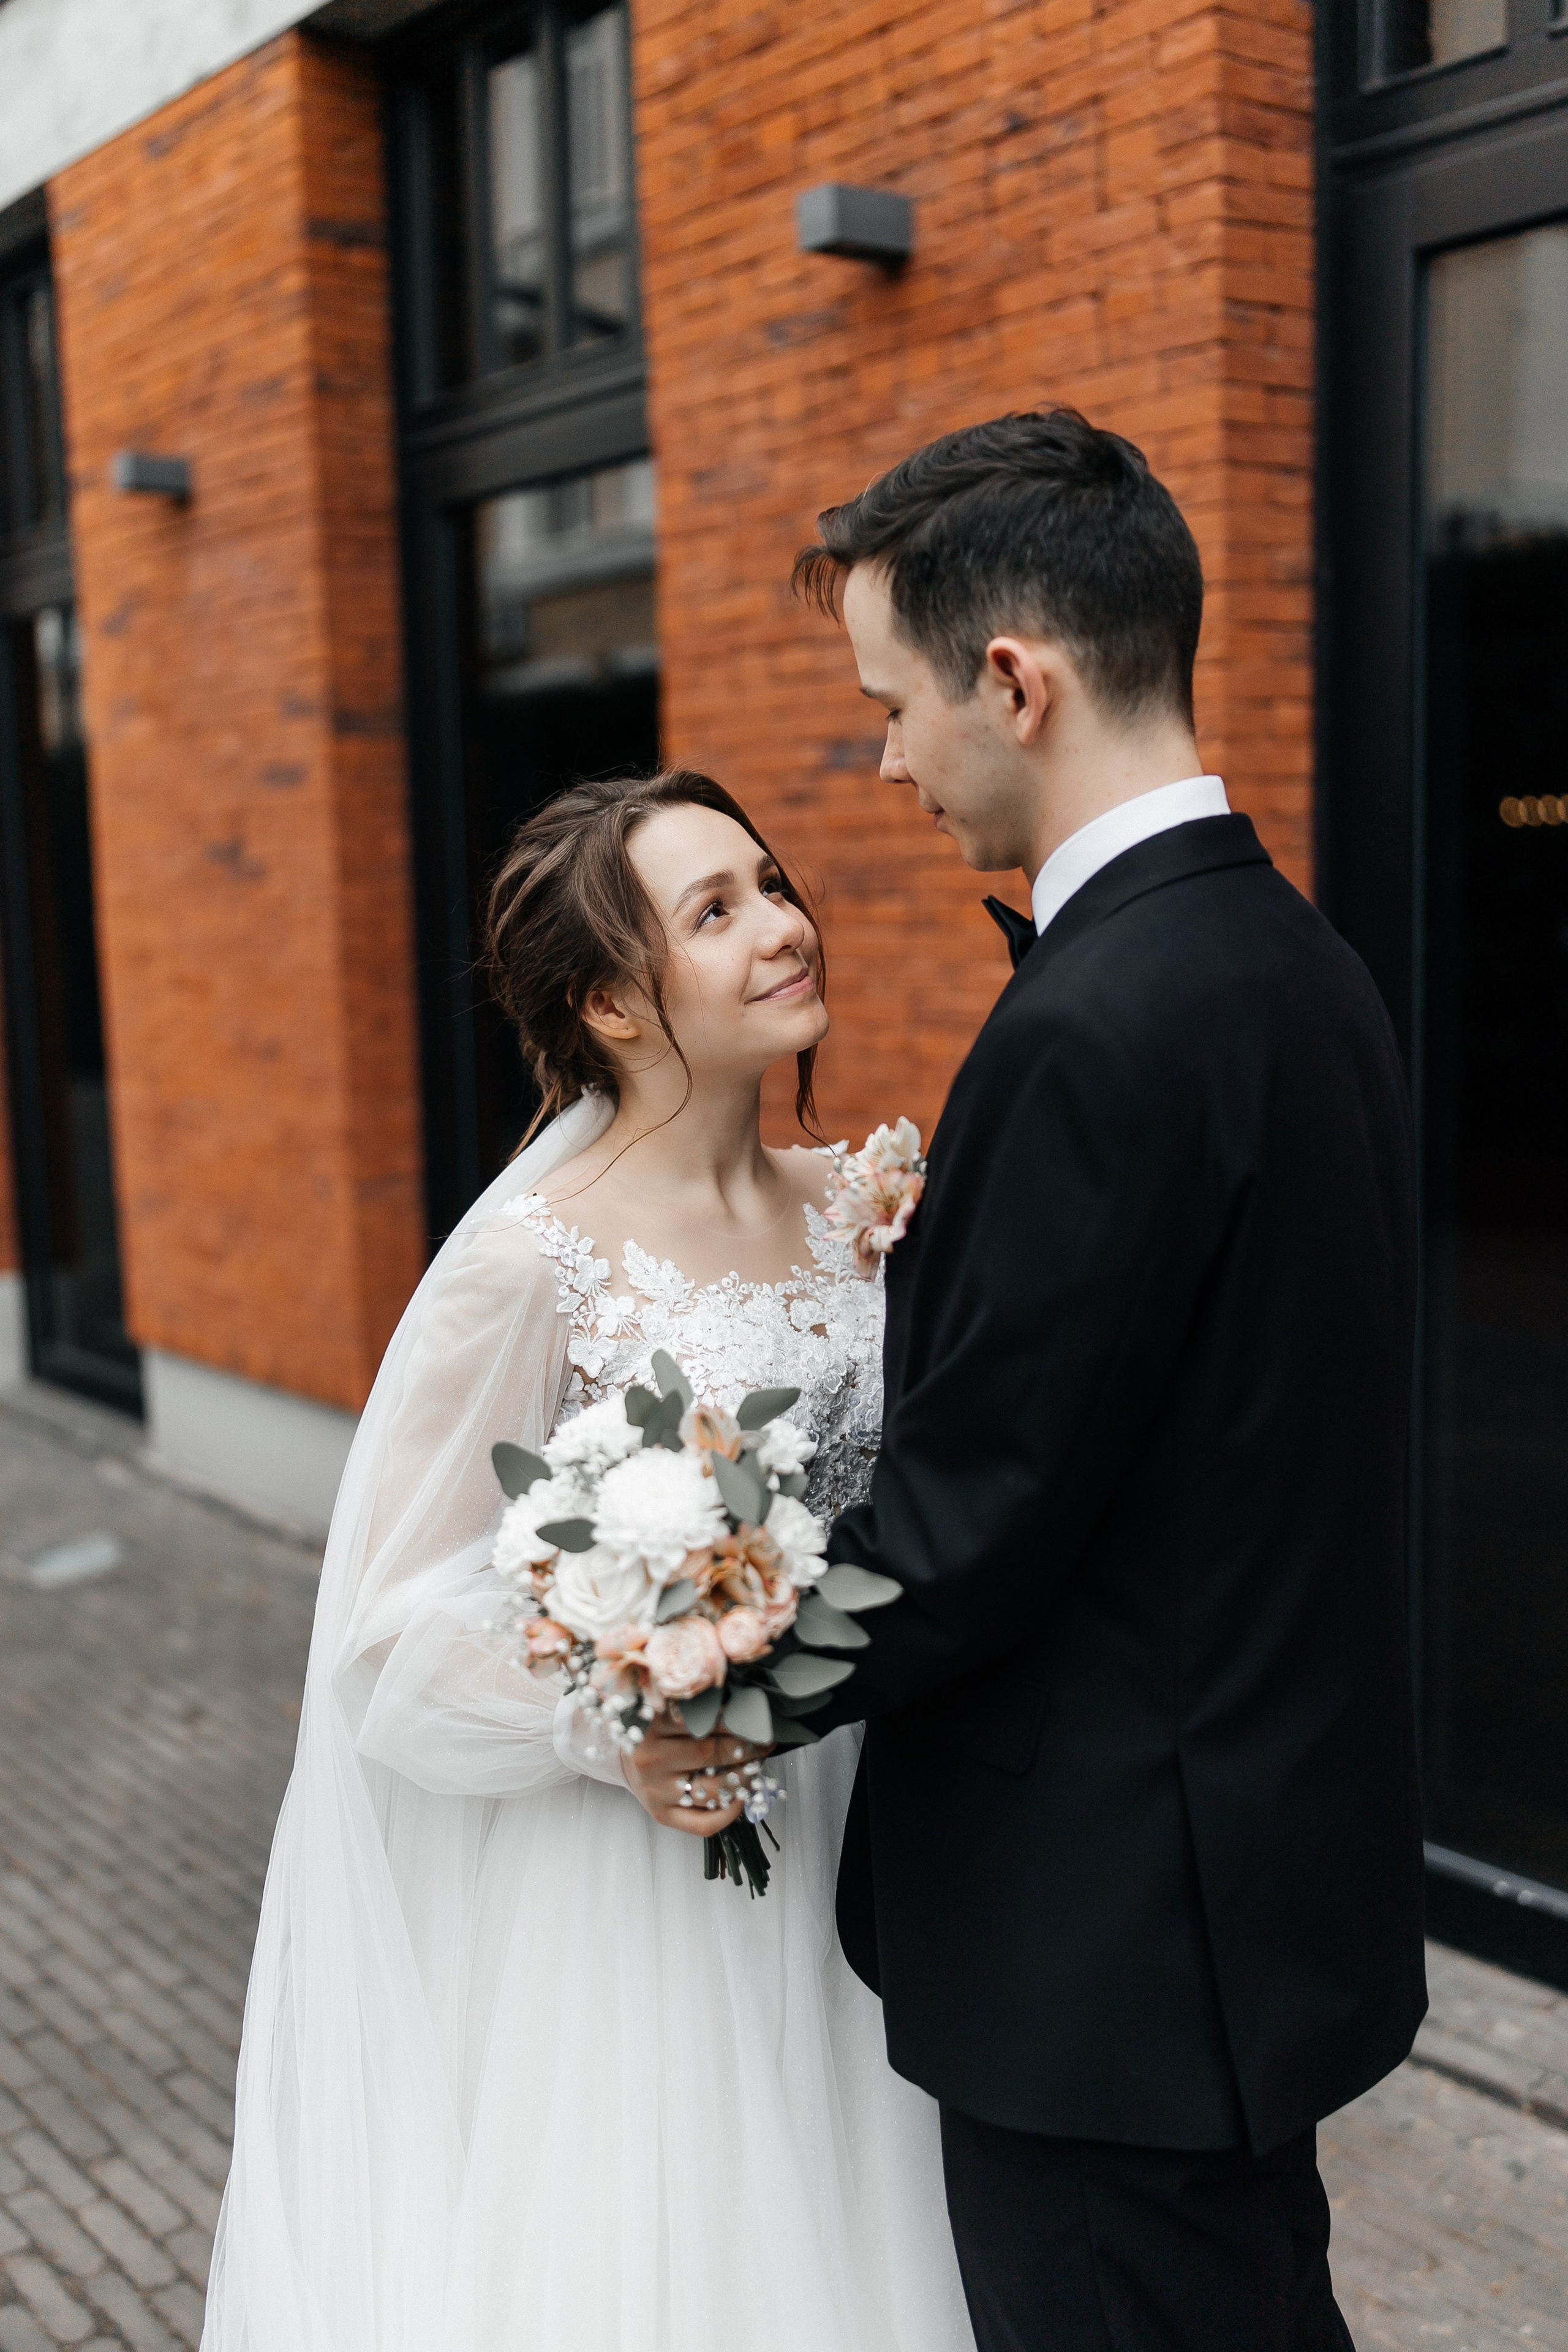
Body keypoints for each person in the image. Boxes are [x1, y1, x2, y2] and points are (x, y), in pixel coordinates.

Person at [792, 408, 1426, 2351]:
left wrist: (700, 1645)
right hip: (1236, 1896)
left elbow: (973, 1528)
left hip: (1109, 1962)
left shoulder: (1101, 1023)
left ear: (1016, 674)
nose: (888, 758)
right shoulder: (1294, 961)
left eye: (895, 703)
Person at [202, 769, 975, 2352]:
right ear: (613, 1003)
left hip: (860, 1837)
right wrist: (621, 1713)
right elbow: (383, 1638)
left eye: (771, 884)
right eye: (717, 911)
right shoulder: (530, 1261)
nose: (783, 927)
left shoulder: (862, 1210)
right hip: (642, 1886)